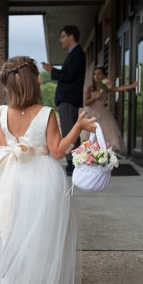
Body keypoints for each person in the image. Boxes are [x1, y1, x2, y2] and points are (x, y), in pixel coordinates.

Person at [0, 56, 97, 284]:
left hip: (10, 177)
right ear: (36, 80)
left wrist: (17, 145)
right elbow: (58, 152)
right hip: (41, 180)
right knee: (41, 230)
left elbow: (0, 145)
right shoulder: (47, 113)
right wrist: (78, 127)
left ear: (8, 87)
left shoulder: (3, 113)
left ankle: (7, 280)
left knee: (9, 227)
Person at [42, 25, 86, 173]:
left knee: (69, 132)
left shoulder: (77, 53)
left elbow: (69, 76)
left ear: (70, 37)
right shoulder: (74, 53)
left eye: (62, 36)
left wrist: (52, 70)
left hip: (69, 98)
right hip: (68, 98)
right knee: (70, 130)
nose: (60, 40)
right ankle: (74, 162)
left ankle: (74, 164)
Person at [81, 66, 137, 151]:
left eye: (99, 74)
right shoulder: (90, 88)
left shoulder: (105, 87)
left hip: (103, 113)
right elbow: (86, 102)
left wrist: (132, 85)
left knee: (106, 134)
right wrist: (96, 97)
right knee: (91, 135)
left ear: (103, 76)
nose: (96, 76)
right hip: (91, 113)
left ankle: (103, 154)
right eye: (94, 74)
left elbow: (118, 88)